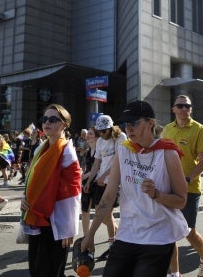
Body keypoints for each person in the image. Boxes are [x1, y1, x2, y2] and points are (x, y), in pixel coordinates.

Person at [81, 100, 189, 277]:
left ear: (151, 123)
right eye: (125, 124)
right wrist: (90, 235)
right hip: (127, 234)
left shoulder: (168, 153)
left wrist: (157, 194)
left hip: (158, 236)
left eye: (134, 123)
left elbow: (181, 201)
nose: (128, 128)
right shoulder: (124, 151)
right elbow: (108, 197)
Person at [20, 104, 81, 277]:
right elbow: (31, 178)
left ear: (64, 124)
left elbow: (73, 192)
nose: (47, 123)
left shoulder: (67, 151)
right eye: (44, 119)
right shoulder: (42, 147)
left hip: (56, 223)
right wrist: (25, 198)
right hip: (36, 216)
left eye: (53, 119)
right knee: (36, 270)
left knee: (50, 272)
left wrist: (68, 228)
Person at [162, 95, 203, 277]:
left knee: (188, 232)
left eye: (187, 106)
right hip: (168, 189)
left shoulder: (199, 129)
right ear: (173, 109)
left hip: (190, 189)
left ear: (191, 109)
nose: (184, 109)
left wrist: (188, 179)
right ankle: (175, 274)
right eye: (180, 106)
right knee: (169, 233)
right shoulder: (167, 130)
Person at [83, 115, 126, 256]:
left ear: (111, 128)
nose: (101, 134)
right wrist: (89, 181)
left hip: (114, 181)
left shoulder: (120, 137)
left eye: (104, 131)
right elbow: (96, 163)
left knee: (107, 213)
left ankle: (112, 244)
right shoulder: (100, 141)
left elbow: (118, 161)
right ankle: (117, 233)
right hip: (100, 181)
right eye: (99, 131)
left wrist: (103, 175)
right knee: (100, 213)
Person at [81, 126, 99, 235]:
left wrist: (87, 174)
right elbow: (87, 167)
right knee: (84, 210)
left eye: (91, 134)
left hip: (97, 183)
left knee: (102, 215)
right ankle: (86, 236)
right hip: (86, 182)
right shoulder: (88, 151)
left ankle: (113, 229)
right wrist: (83, 173)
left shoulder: (100, 150)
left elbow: (101, 168)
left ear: (97, 137)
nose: (87, 135)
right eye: (88, 133)